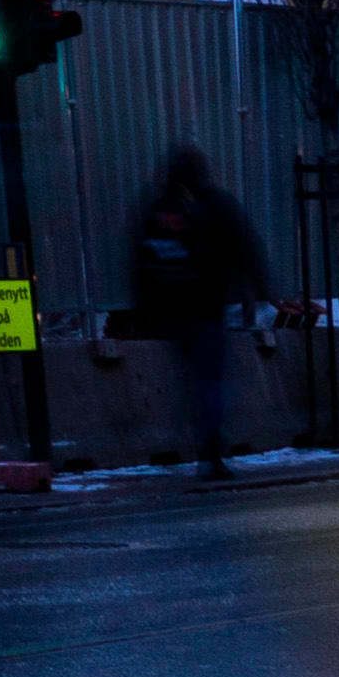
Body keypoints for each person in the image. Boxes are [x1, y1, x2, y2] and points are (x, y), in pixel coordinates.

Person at [126, 142, 267, 479]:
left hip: (174, 311)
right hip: (207, 308)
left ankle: (199, 441)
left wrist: (145, 308)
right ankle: (210, 449)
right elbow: (246, 247)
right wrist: (257, 291)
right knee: (211, 382)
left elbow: (141, 259)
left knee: (192, 380)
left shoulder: (158, 208)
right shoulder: (216, 205)